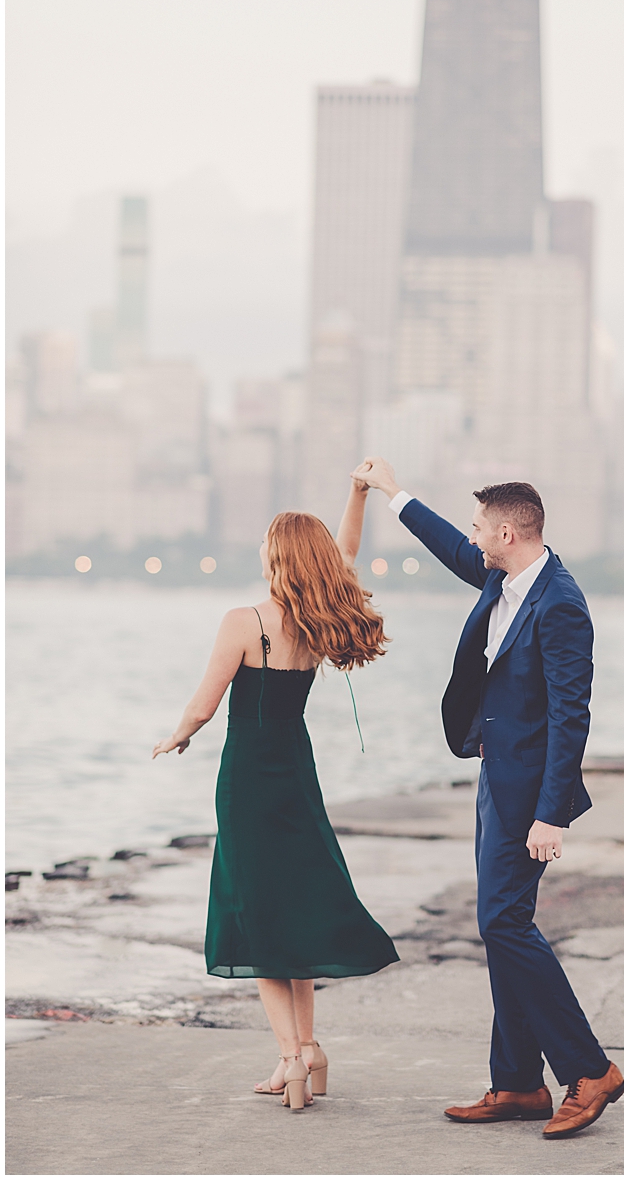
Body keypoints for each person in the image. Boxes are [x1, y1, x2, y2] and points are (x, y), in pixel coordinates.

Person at [350, 456, 624, 1140]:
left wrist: (551, 812)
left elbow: (572, 715)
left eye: (481, 529)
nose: (472, 538)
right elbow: (448, 544)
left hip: (529, 793)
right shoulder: (501, 575)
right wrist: (391, 491)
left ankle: (589, 1071)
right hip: (493, 777)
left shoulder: (560, 604)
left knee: (503, 923)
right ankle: (518, 1082)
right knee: (502, 924)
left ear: (508, 533)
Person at [153, 476, 399, 1112]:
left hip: (248, 783)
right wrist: (360, 494)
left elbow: (204, 706)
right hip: (298, 774)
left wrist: (175, 736)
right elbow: (343, 555)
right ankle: (310, 1049)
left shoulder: (244, 621)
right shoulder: (319, 621)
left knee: (257, 917)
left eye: (267, 543)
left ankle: (290, 1061)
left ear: (277, 557)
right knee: (293, 908)